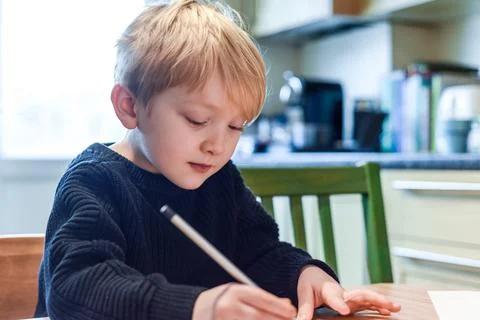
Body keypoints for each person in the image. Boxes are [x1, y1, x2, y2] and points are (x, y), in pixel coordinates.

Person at [35, 1, 401, 319]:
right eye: (197, 120)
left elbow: (259, 256)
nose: (217, 146)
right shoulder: (95, 182)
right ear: (130, 107)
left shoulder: (219, 179)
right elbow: (74, 290)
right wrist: (198, 308)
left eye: (235, 126)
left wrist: (306, 277)